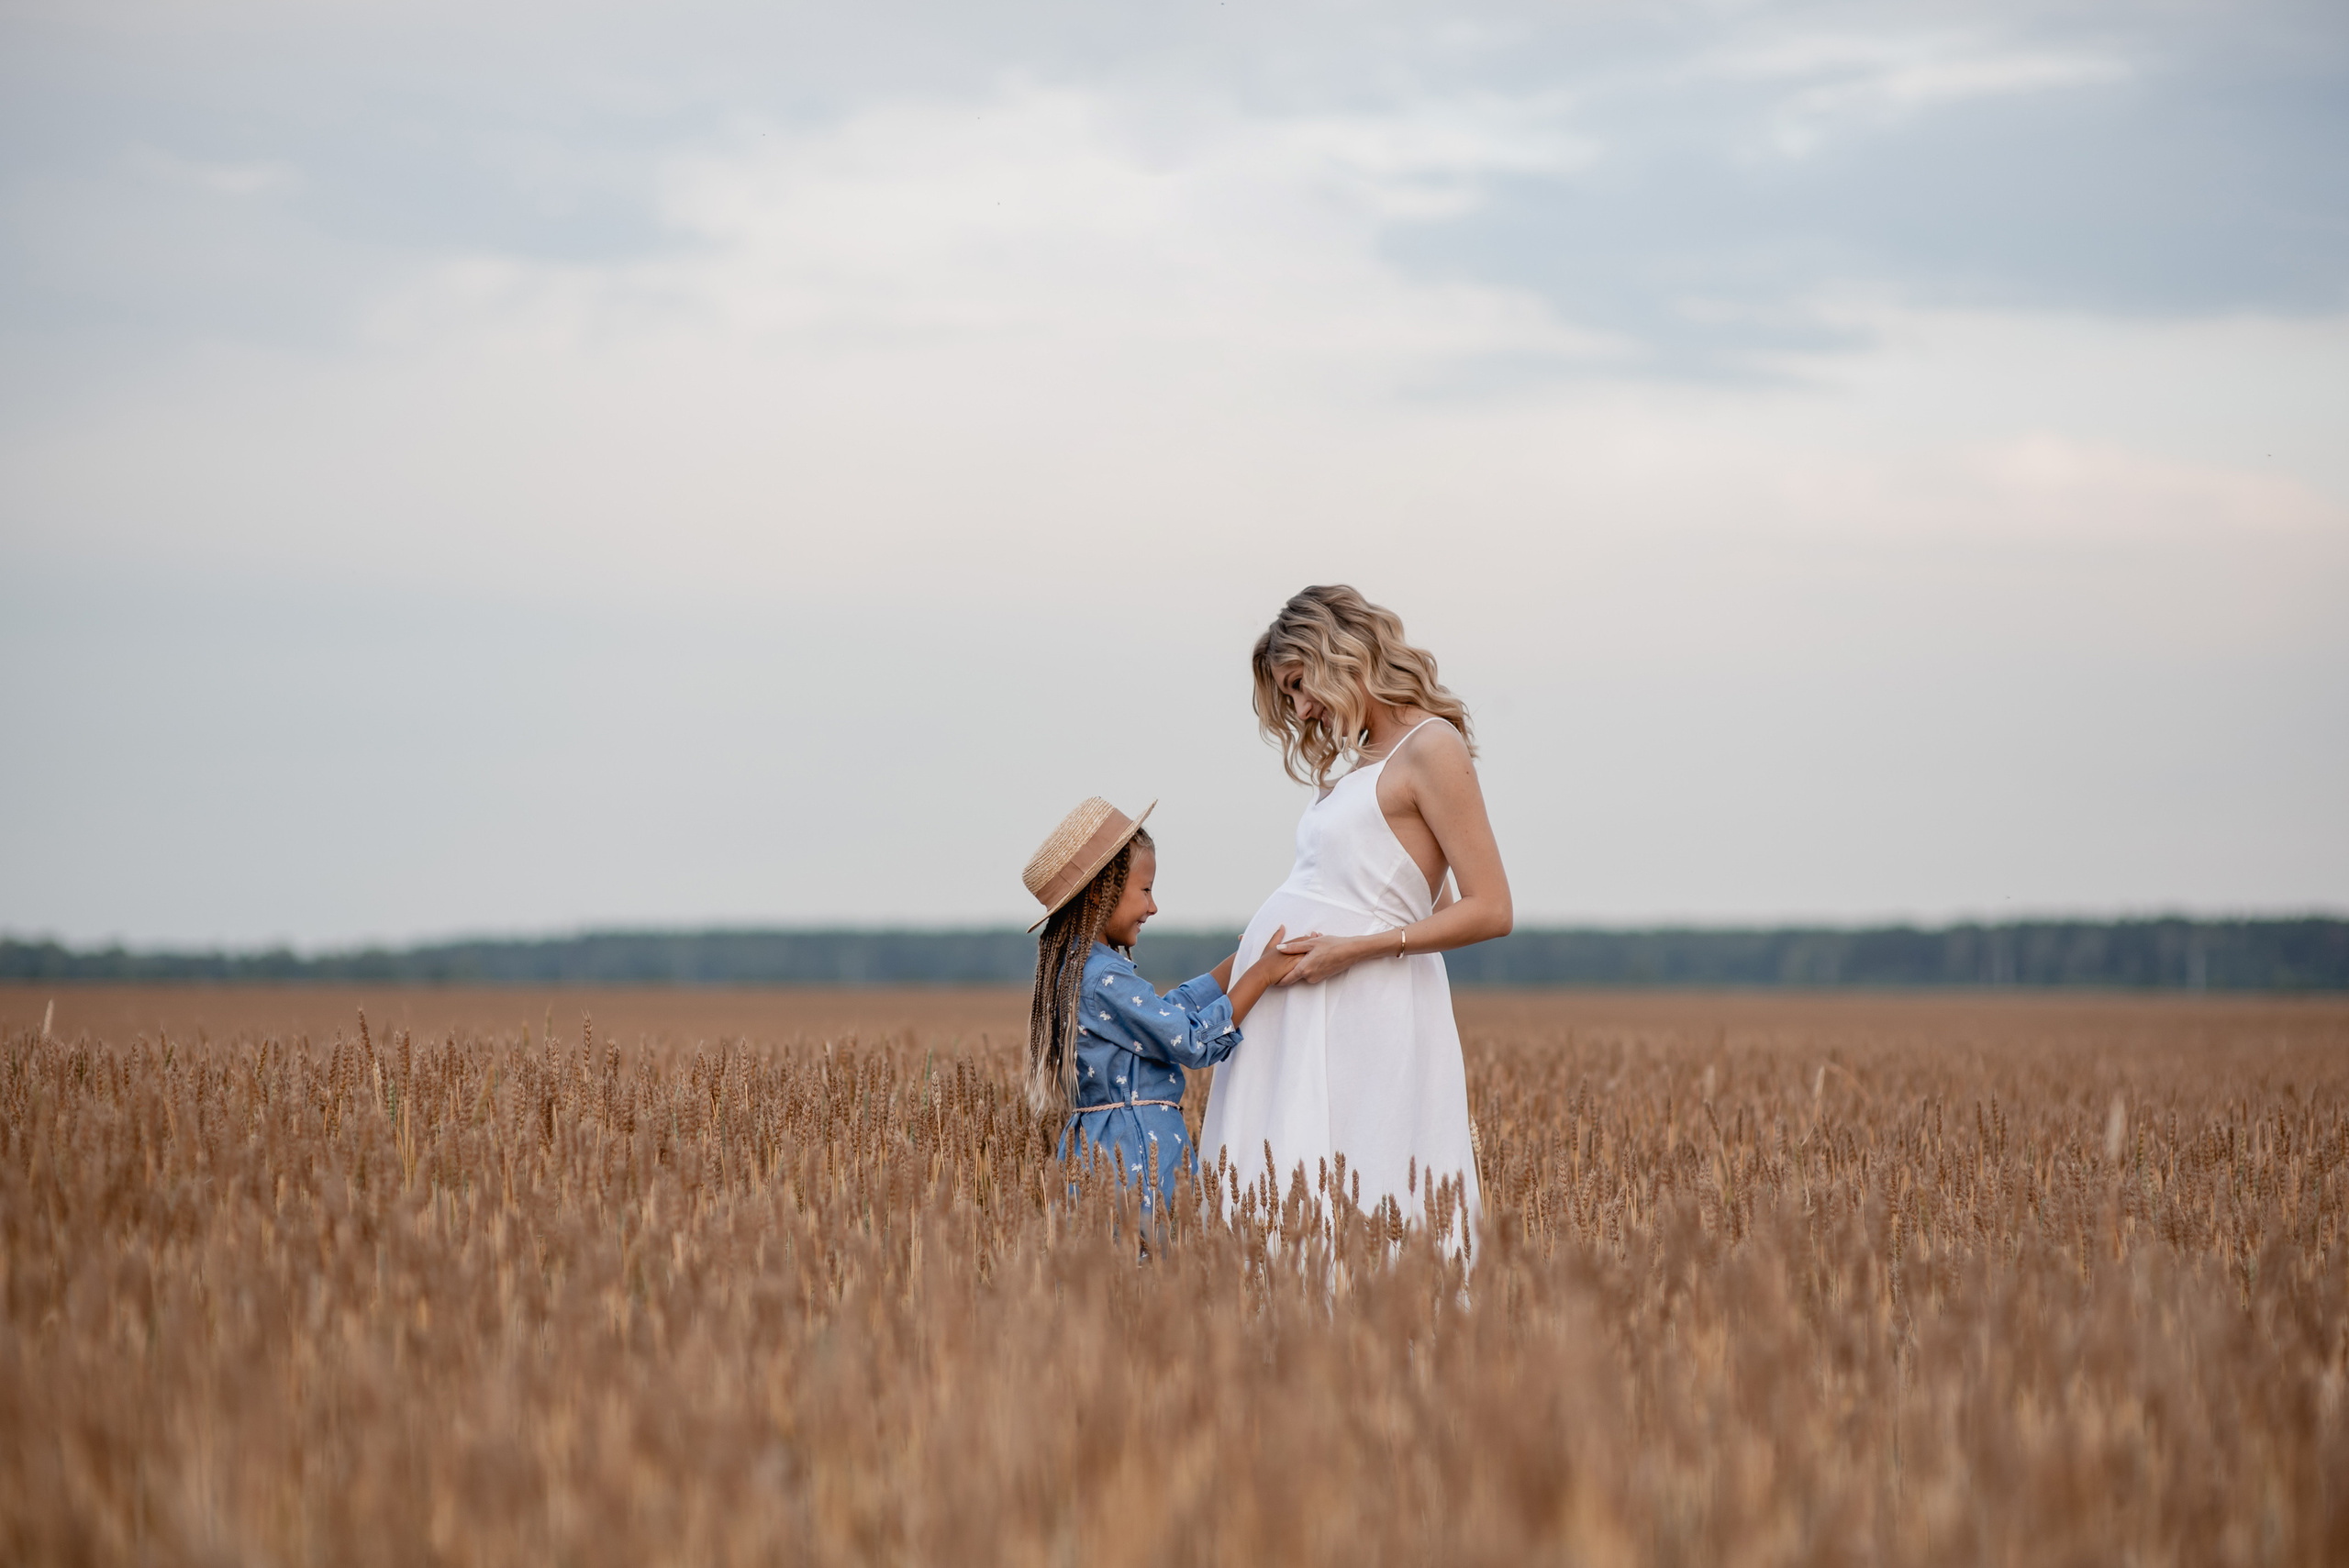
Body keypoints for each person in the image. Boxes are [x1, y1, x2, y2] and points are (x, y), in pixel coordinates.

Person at [1199, 585, 1512, 1240]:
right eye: (1287, 695)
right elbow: (1419, 897)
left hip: (1359, 1000)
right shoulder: (1364, 762)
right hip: (1298, 1005)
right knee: (1277, 1184)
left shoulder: (1431, 746)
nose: (1300, 708)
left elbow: (1491, 909)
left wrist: (1354, 948)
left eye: (1298, 684)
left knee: (1364, 1180)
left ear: (1339, 653)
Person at [1022, 796, 1298, 1207]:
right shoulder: (1101, 976)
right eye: (1146, 890)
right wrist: (1262, 974)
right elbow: (1192, 1040)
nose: (1153, 906)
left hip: (1105, 1157)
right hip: (1134, 1161)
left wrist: (1242, 961)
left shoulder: (1082, 969)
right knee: (1148, 1250)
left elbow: (1164, 1015)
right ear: (1099, 893)